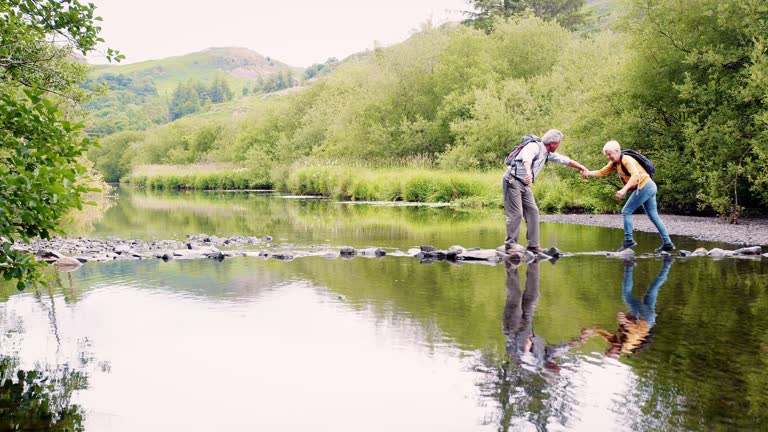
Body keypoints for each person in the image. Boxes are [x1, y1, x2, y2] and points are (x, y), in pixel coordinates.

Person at [503, 129, 590, 255]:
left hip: (525, 184)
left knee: (533, 211)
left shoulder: (547, 153)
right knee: (516, 214)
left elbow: (565, 160)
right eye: (559, 143)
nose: (559, 145)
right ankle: (510, 247)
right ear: (553, 144)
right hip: (512, 181)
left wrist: (582, 168)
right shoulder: (533, 146)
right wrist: (528, 172)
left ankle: (533, 246)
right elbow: (526, 159)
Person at [583, 140, 675, 253]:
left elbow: (636, 176)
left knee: (626, 211)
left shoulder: (626, 159)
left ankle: (629, 240)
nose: (608, 157)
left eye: (609, 154)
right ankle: (668, 243)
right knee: (653, 216)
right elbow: (602, 172)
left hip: (645, 186)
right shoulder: (615, 163)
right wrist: (588, 172)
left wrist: (623, 190)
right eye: (606, 155)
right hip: (647, 187)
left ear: (617, 151)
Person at [573, 256, 673, 358]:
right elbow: (635, 331)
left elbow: (601, 332)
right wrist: (625, 321)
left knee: (653, 290)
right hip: (643, 318)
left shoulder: (613, 341)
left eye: (608, 349)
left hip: (648, 319)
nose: (610, 347)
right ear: (617, 353)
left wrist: (589, 332)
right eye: (612, 350)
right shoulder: (628, 345)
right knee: (627, 295)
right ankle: (629, 265)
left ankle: (668, 263)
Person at [503, 260, 567, 373]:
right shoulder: (547, 358)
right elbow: (558, 349)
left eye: (555, 367)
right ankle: (534, 261)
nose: (556, 365)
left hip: (514, 330)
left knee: (515, 296)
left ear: (548, 369)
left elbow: (524, 355)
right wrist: (575, 342)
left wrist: (527, 343)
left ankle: (510, 261)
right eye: (556, 366)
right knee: (533, 295)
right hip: (527, 326)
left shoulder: (534, 365)